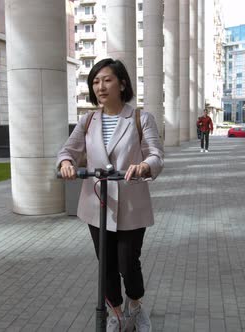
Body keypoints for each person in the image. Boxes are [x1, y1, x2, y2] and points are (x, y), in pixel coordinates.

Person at [57, 58, 164, 332]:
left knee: (129, 263)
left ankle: (136, 306)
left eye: (107, 79)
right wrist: (66, 164)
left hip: (131, 203)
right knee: (105, 264)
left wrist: (144, 166)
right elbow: (68, 150)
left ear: (122, 83)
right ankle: (116, 313)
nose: (100, 86)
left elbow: (156, 154)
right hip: (97, 204)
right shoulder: (88, 120)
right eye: (95, 81)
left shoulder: (141, 118)